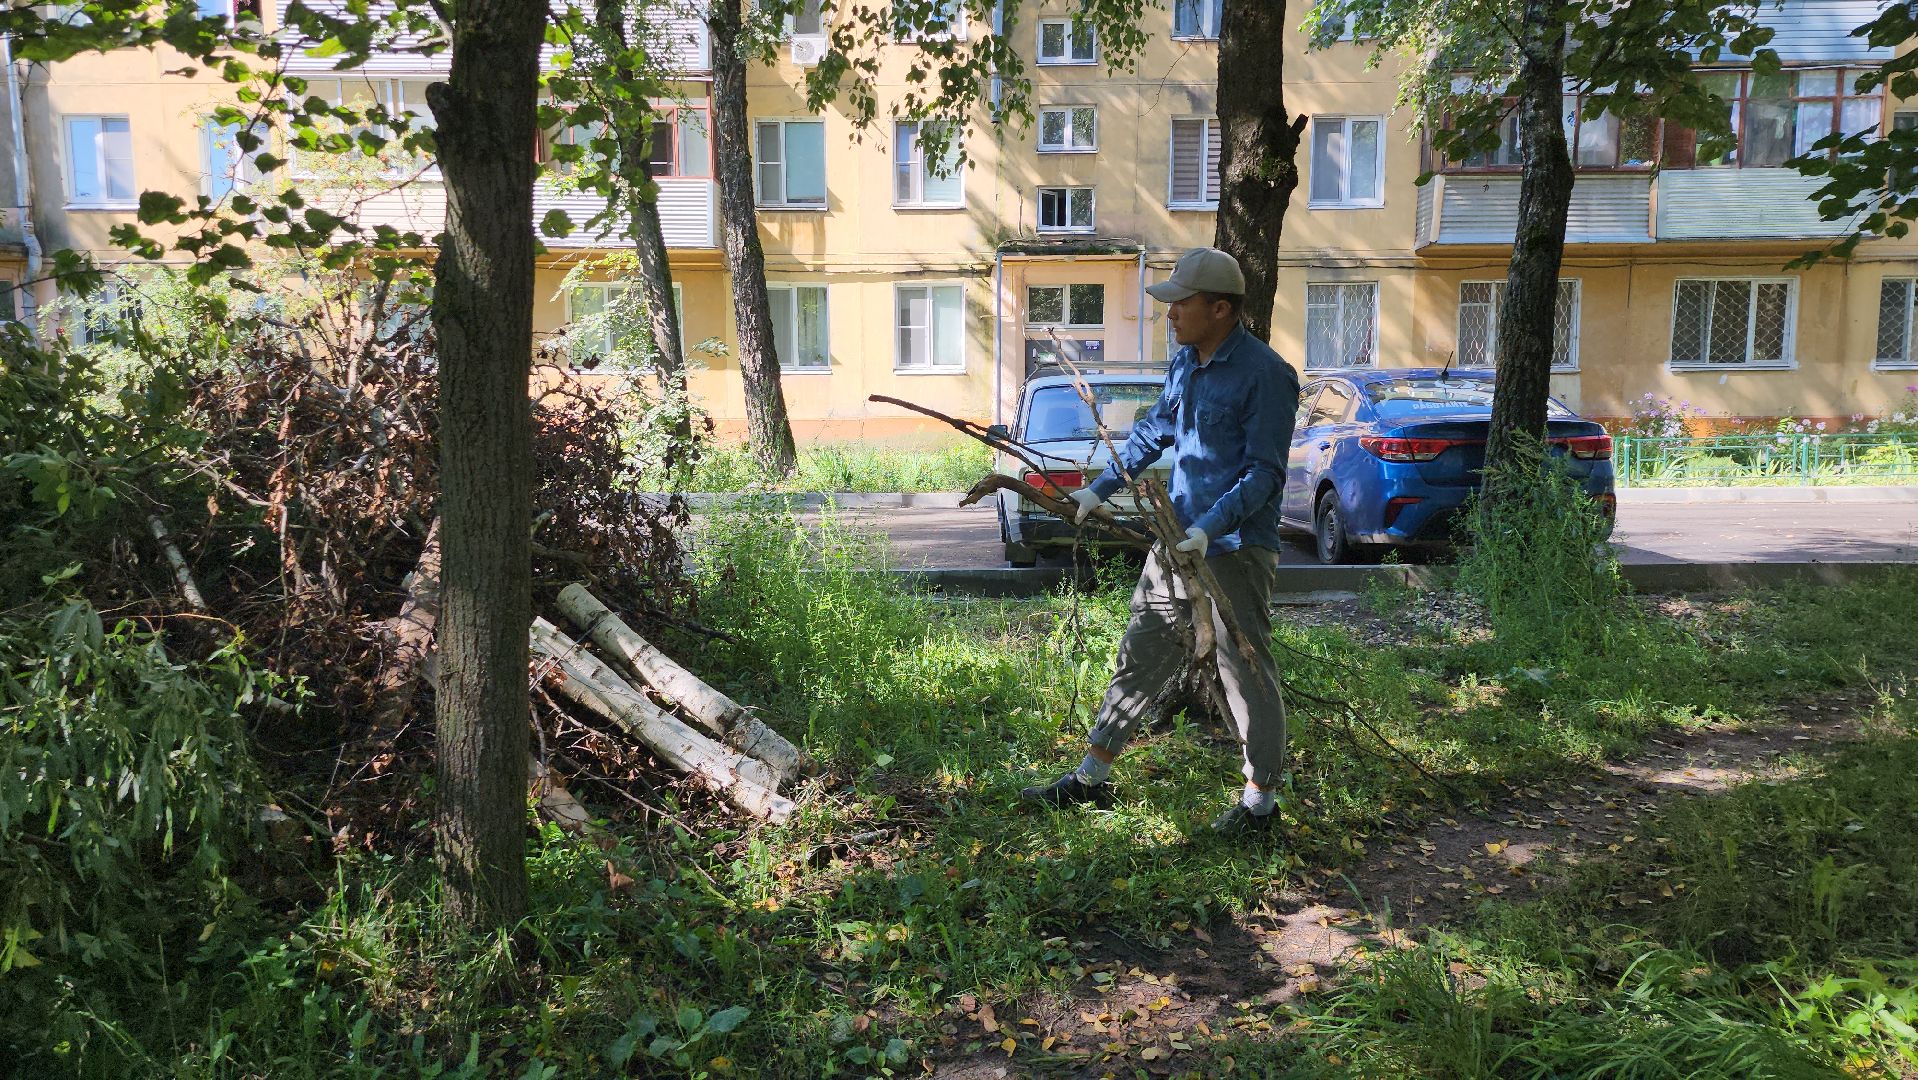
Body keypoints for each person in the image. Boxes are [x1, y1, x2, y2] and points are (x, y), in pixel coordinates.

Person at [1020, 247, 1301, 835]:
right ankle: (1091, 777)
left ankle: (1261, 805)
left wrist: (1209, 528)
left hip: (1235, 549)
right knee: (1141, 650)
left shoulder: (1267, 375)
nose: (1170, 313)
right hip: (1175, 542)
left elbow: (1265, 473)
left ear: (1220, 309)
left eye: (1181, 303)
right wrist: (1098, 489)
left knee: (1244, 670)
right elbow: (1153, 432)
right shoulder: (1184, 364)